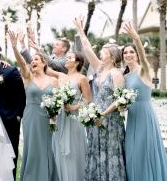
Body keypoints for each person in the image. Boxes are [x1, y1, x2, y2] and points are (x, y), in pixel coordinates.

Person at [74, 17, 126, 181]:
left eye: (104, 50)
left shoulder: (116, 74)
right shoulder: (99, 68)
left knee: (110, 152)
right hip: (95, 119)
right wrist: (80, 30)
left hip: (110, 121)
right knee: (95, 150)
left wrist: (103, 114)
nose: (100, 52)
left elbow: (120, 100)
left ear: (111, 56)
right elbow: (87, 48)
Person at [9, 31, 58, 181]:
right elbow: (22, 62)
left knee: (48, 147)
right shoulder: (28, 77)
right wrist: (15, 47)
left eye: (36, 59)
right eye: (32, 60)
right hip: (31, 116)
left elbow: (58, 102)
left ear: (44, 63)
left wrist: (55, 114)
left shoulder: (53, 80)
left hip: (48, 118)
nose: (33, 61)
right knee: (33, 148)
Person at [122, 22, 167, 181]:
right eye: (125, 53)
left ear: (136, 54)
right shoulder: (124, 77)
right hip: (132, 119)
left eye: (131, 52)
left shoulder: (144, 70)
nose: (128, 55)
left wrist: (136, 38)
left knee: (146, 153)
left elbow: (142, 53)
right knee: (132, 154)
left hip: (146, 117)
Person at [0, 42, 26, 177]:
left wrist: (18, 115)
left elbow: (20, 95)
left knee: (10, 152)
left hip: (10, 119)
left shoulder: (11, 71)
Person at [50, 52, 91, 181]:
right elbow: (44, 67)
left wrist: (73, 107)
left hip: (74, 118)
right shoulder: (61, 77)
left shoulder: (82, 78)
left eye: (69, 57)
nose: (66, 59)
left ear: (77, 62)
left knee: (74, 149)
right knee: (59, 147)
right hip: (60, 117)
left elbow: (88, 100)